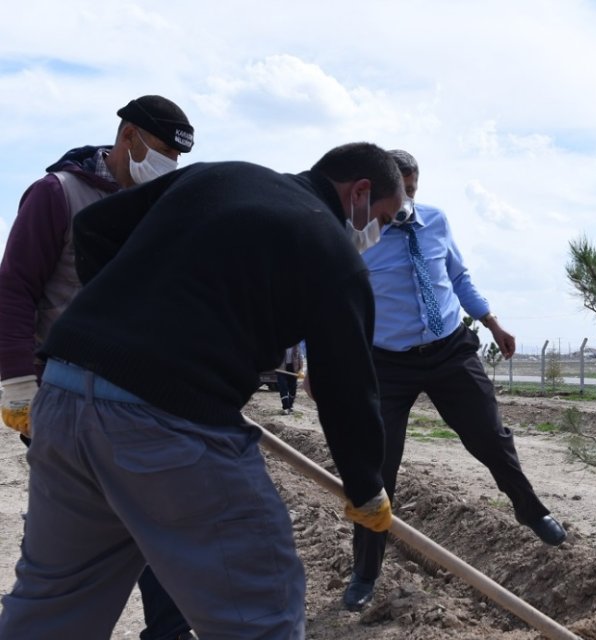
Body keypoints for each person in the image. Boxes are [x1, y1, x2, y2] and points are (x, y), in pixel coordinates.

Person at [0, 142, 406, 638]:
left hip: (65, 396)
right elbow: (348, 389)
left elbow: (95, 227)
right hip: (164, 426)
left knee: (57, 602)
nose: (377, 235)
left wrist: (123, 321)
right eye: (383, 219)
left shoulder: (218, 177)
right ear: (360, 192)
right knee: (261, 605)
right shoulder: (332, 250)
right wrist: (366, 489)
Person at [0, 95, 197, 640]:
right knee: (74, 531)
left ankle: (170, 631)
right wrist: (19, 385)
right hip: (63, 394)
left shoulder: (161, 202)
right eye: (160, 153)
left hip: (141, 397)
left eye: (176, 161)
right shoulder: (57, 195)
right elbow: (14, 289)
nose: (167, 168)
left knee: (162, 522)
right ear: (128, 136)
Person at [340, 148, 565, 612]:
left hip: (449, 349)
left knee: (490, 436)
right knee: (376, 470)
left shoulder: (436, 221)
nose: (404, 203)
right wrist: (313, 358)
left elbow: (457, 275)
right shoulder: (354, 233)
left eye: (412, 191)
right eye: (397, 193)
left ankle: (531, 510)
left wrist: (491, 321)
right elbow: (329, 293)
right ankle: (365, 571)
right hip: (387, 361)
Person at [277, 343, 305, 414]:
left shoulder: (296, 344)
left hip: (293, 368)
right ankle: (285, 407)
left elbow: (300, 356)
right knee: (283, 387)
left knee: (293, 388)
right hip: (281, 368)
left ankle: (290, 405)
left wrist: (301, 369)